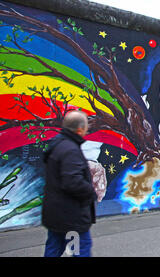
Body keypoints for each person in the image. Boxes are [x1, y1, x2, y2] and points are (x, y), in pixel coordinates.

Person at [42, 110, 97, 257]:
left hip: (56, 214)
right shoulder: (70, 150)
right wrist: (90, 193)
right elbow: (73, 182)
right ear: (80, 129)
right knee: (79, 250)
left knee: (54, 248)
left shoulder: (58, 145)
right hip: (71, 217)